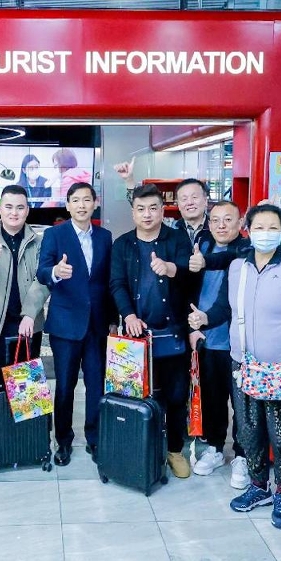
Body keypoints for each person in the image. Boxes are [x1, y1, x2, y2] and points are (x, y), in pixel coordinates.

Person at [190, 204, 281, 529]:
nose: (265, 233)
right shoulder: (237, 268)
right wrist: (204, 319)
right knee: (250, 432)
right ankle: (259, 487)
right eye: (259, 227)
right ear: (248, 230)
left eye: (272, 227)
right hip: (244, 365)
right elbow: (225, 308)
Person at [111, 183, 195, 478]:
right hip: (136, 336)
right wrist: (129, 315)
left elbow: (191, 276)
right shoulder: (122, 244)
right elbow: (117, 284)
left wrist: (172, 269)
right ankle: (138, 446)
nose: (147, 214)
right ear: (133, 213)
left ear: (162, 211)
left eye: (153, 208)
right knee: (136, 395)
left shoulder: (177, 239)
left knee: (176, 395)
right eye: (141, 209)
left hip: (173, 331)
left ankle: (174, 450)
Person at [37, 181, 114, 465]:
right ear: (68, 205)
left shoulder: (105, 236)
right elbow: (42, 271)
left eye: (87, 200)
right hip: (65, 324)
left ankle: (94, 438)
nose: (82, 205)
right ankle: (63, 440)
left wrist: (113, 320)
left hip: (97, 324)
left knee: (96, 385)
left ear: (95, 204)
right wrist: (55, 272)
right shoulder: (54, 234)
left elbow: (109, 281)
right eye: (76, 200)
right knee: (65, 386)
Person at [188, 201, 250, 483]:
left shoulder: (246, 250)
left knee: (242, 404)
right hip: (207, 338)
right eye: (215, 220)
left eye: (228, 219)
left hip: (238, 343)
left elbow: (230, 260)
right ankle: (214, 448)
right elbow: (189, 290)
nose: (221, 225)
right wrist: (192, 327)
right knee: (213, 399)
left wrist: (205, 261)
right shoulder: (203, 245)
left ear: (240, 223)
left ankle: (242, 455)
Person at [0, 185, 50, 382]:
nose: (14, 213)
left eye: (20, 207)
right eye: (8, 207)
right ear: (0, 209)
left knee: (27, 385)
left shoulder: (39, 242)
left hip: (29, 323)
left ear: (27, 210)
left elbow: (42, 280)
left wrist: (30, 314)